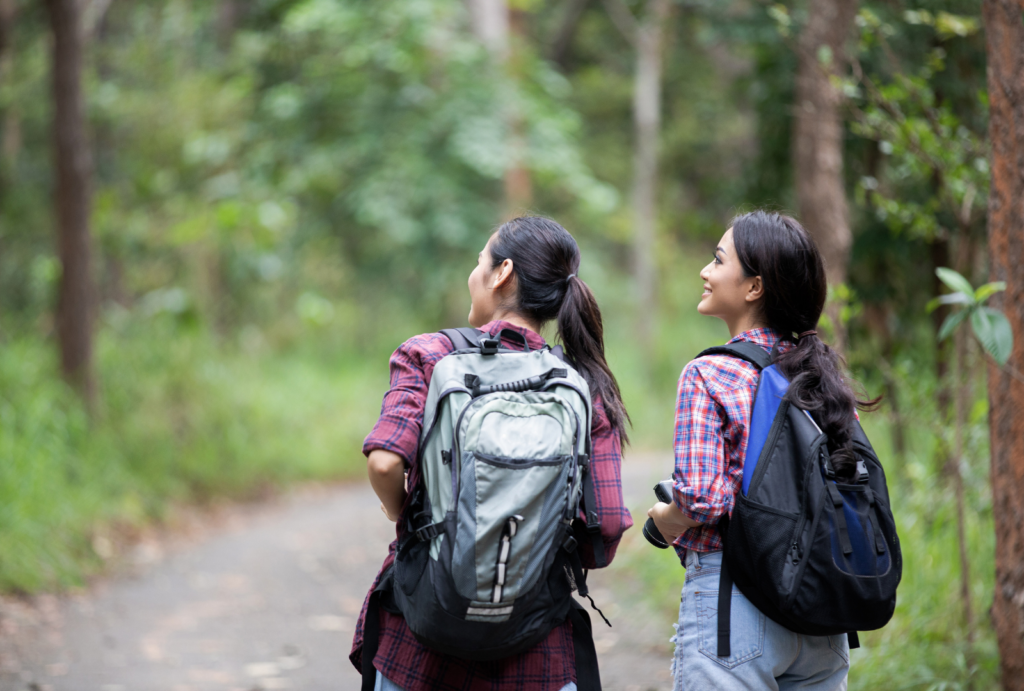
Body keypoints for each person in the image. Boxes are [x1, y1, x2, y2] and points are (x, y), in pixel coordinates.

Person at [351, 216, 632, 691]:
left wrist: (407, 519)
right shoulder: (581, 383)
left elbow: (384, 461)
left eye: (478, 260)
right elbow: (603, 530)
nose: (472, 272)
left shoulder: (430, 355)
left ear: (502, 272)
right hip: (536, 651)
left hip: (423, 643)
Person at [647, 210, 876, 689]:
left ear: (754, 287)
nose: (706, 272)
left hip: (736, 608)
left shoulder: (710, 373)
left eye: (717, 260)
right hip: (821, 611)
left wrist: (663, 519)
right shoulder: (822, 378)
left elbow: (704, 500)